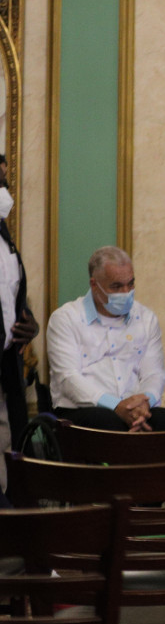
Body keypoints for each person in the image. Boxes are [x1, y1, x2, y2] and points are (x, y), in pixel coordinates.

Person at [47, 246, 165, 432]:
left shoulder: (146, 318)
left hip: (135, 408)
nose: (126, 292)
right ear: (94, 284)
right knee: (108, 422)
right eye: (116, 287)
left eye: (130, 284)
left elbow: (154, 374)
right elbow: (68, 378)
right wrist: (116, 406)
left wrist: (143, 405)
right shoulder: (65, 318)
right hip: (83, 409)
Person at [0, 154, 37, 471]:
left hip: (6, 371)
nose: (5, 192)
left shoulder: (4, 237)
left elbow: (9, 294)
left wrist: (26, 321)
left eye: (5, 182)